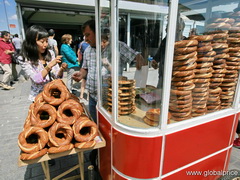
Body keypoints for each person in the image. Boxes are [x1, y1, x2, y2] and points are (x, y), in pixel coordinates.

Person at [72, 20, 147, 123]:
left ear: (98, 33)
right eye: (84, 36)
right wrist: (81, 74)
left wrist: (140, 60)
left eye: (88, 35)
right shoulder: (88, 50)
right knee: (95, 125)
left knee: (109, 128)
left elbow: (138, 59)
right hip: (93, 98)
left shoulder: (118, 47)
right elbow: (85, 68)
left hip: (112, 100)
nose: (86, 39)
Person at [18, 25, 67, 102]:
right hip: (38, 97)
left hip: (53, 94)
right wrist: (50, 65)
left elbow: (56, 76)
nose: (45, 45)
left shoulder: (50, 53)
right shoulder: (24, 58)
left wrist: (61, 69)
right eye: (42, 41)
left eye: (47, 41)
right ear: (32, 42)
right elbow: (36, 79)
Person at [151, 16, 186, 88]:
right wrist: (154, 61)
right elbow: (158, 56)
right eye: (166, 26)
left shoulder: (185, 43)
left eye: (168, 26)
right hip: (163, 76)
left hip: (177, 78)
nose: (165, 29)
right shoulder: (165, 41)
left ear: (178, 29)